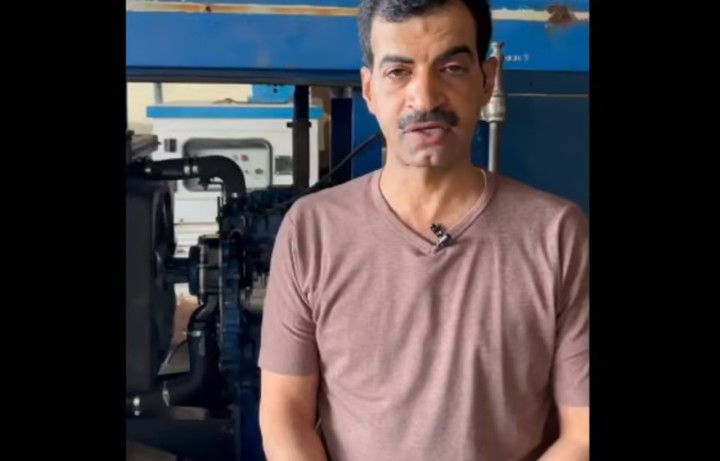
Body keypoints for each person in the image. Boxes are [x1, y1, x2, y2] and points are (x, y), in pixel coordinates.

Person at [257, 0, 589, 459]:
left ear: (487, 79)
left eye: (451, 68)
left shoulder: (557, 235)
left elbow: (582, 432)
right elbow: (284, 416)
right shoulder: (312, 231)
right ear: (369, 89)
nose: (426, 98)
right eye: (399, 72)